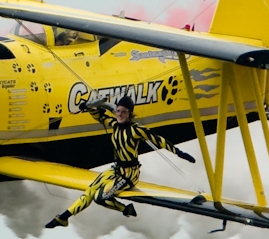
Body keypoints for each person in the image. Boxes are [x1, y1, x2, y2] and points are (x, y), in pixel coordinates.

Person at [46, 95, 196, 227]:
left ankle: (126, 209)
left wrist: (180, 153)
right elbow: (98, 116)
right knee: (91, 190)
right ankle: (63, 218)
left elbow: (158, 140)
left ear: (129, 113)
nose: (120, 114)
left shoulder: (136, 129)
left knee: (101, 197)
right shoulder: (114, 125)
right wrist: (87, 106)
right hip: (116, 169)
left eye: (124, 111)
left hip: (130, 174)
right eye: (118, 110)